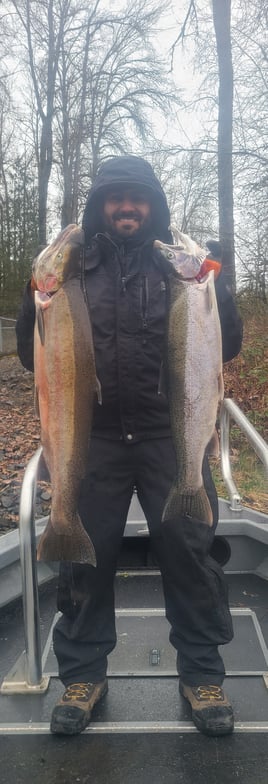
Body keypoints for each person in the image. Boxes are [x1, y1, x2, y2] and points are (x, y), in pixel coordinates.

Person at [16, 155, 243, 737]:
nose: (126, 207)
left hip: (171, 433)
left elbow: (227, 348)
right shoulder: (71, 273)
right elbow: (28, 357)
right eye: (115, 198)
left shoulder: (179, 269)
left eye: (137, 198)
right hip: (91, 437)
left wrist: (220, 292)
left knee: (190, 555)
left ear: (153, 207)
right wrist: (33, 303)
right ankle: (82, 677)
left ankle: (202, 675)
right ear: (100, 206)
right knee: (83, 560)